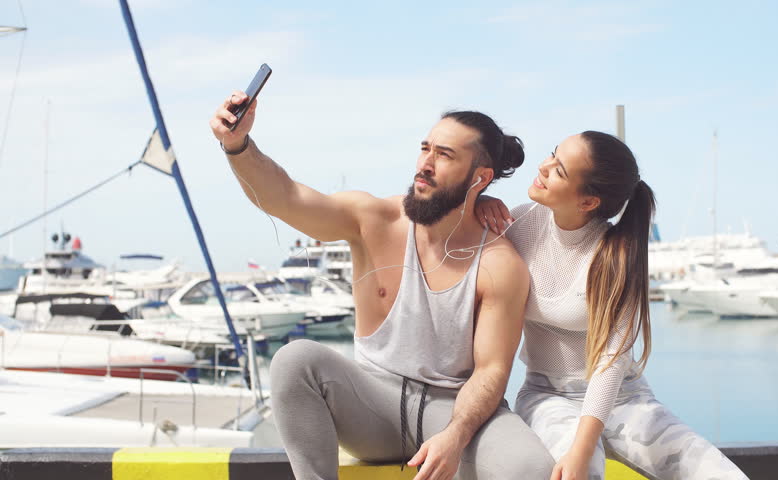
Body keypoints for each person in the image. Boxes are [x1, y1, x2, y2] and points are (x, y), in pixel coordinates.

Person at [209, 92, 554, 480]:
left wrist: (455, 437)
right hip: (371, 404)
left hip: (453, 409)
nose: (425, 164)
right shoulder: (376, 220)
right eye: (425, 149)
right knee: (294, 360)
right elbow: (286, 197)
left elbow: (491, 371)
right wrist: (237, 145)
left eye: (444, 155)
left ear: (481, 178)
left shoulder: (499, 264)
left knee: (533, 468)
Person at [475, 131, 748, 480]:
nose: (543, 167)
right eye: (552, 155)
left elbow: (610, 361)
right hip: (548, 396)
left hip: (624, 397)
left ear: (588, 201)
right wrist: (480, 205)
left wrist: (583, 447)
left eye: (558, 170)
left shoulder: (615, 256)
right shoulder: (519, 224)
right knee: (581, 474)